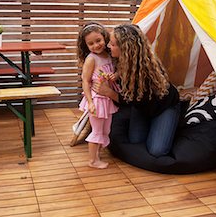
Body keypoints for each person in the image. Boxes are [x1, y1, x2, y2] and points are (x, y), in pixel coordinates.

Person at [93, 23, 180, 157]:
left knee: (157, 151)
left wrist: (108, 92)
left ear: (125, 48)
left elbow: (130, 100)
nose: (109, 46)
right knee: (135, 141)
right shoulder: (119, 60)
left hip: (164, 107)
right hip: (142, 107)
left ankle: (171, 120)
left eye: (113, 44)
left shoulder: (145, 70)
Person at [77, 22, 119, 169]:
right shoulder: (91, 59)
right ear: (86, 46)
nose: (96, 45)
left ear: (105, 38)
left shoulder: (109, 55)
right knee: (97, 130)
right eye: (91, 43)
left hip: (108, 99)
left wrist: (114, 76)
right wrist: (90, 102)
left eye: (98, 41)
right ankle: (92, 160)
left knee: (106, 130)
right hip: (97, 100)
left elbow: (114, 71)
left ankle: (97, 155)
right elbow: (86, 81)